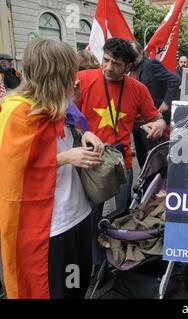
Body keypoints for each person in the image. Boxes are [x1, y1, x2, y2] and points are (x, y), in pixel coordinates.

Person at [0, 39, 104, 299]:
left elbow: (72, 125)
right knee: (58, 291)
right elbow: (11, 169)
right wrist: (64, 158)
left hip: (78, 215)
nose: (75, 77)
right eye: (70, 71)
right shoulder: (16, 112)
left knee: (77, 285)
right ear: (55, 75)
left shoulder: (62, 103)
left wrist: (86, 133)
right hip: (50, 228)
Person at [76, 38, 166, 275]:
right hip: (90, 161)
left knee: (123, 215)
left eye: (115, 64)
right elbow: (65, 111)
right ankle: (96, 265)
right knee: (92, 216)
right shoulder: (83, 80)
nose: (107, 67)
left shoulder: (138, 89)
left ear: (128, 66)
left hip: (121, 163)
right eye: (105, 60)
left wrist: (159, 123)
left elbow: (155, 118)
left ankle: (119, 260)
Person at [129, 41, 181, 168]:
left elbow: (175, 80)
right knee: (143, 161)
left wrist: (166, 103)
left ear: (141, 51)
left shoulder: (150, 64)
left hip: (152, 121)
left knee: (155, 161)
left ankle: (157, 186)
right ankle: (146, 186)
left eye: (132, 54)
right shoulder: (130, 70)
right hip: (137, 125)